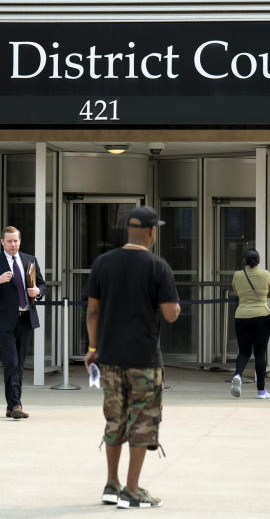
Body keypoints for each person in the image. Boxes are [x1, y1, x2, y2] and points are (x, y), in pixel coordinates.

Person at [84, 206, 180, 509]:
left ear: (128, 230)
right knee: (142, 424)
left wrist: (92, 348)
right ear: (152, 232)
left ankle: (111, 485)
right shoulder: (158, 267)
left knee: (115, 421)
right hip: (144, 361)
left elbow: (92, 310)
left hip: (110, 359)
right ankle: (133, 489)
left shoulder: (103, 263)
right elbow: (170, 313)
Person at [0, 225, 46, 420]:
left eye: (16, 241)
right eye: (9, 241)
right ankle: (16, 404)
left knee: (19, 364)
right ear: (2, 242)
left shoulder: (29, 260)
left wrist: (38, 292)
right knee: (11, 362)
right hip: (4, 321)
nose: (13, 244)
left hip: (25, 319)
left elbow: (42, 284)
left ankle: (11, 406)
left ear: (20, 241)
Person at [230, 249, 270, 399]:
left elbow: (236, 291)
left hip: (241, 316)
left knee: (243, 352)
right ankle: (261, 391)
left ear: (244, 261)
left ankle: (238, 375)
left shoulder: (237, 275)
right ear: (258, 262)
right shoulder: (265, 274)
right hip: (261, 316)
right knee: (259, 353)